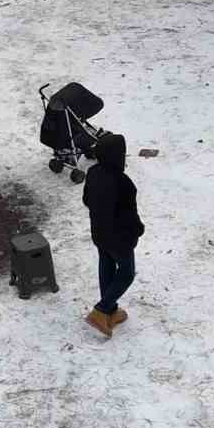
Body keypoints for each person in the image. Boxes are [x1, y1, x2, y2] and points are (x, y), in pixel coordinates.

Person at [81, 133, 143, 338]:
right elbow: (129, 216)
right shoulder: (123, 183)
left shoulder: (92, 172)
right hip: (119, 238)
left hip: (99, 232)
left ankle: (111, 311)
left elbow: (87, 200)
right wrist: (138, 230)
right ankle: (101, 310)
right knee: (126, 272)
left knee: (106, 263)